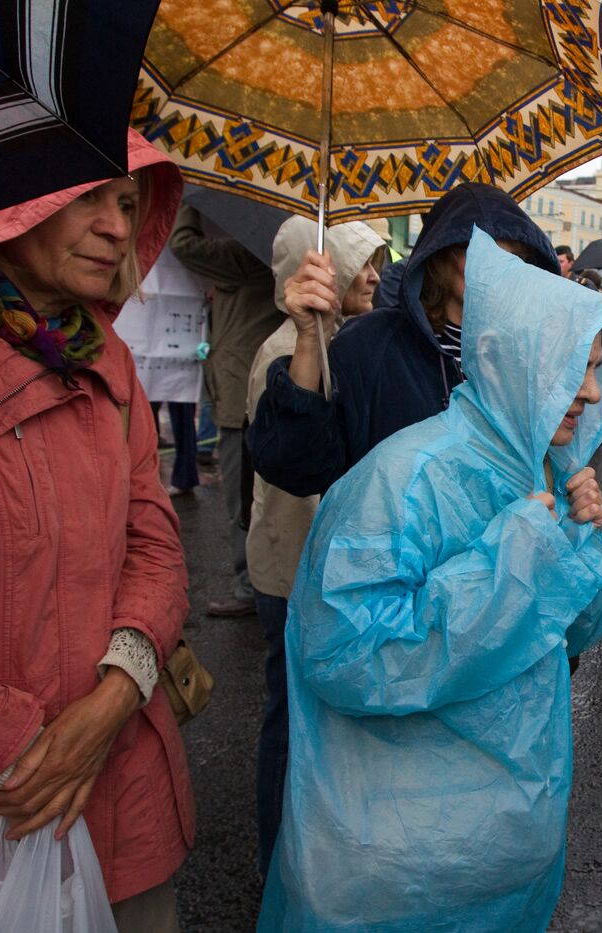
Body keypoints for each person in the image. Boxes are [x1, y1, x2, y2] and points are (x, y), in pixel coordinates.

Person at [258, 230, 602, 931]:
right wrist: (511, 559)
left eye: (595, 369)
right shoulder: (403, 478)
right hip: (398, 870)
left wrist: (580, 545)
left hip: (505, 852)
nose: (589, 392)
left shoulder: (542, 469)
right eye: (572, 369)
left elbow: (574, 631)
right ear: (518, 361)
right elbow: (342, 654)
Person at [0, 130, 194, 930]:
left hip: (124, 801)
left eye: (128, 203)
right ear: (8, 198)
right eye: (87, 196)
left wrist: (115, 696)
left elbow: (157, 547)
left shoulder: (112, 364)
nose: (118, 227)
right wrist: (28, 748)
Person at [247, 183, 559, 497]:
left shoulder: (529, 352)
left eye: (516, 256)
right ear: (440, 253)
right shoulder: (370, 344)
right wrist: (311, 339)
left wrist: (572, 490)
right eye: (480, 247)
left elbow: (545, 464)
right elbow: (295, 467)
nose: (498, 265)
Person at [244, 215, 386, 877]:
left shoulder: (344, 343)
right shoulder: (286, 352)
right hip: (293, 568)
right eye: (363, 262)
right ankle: (277, 855)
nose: (377, 276)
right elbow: (292, 476)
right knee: (289, 715)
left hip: (321, 566)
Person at [169, 205, 280, 617]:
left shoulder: (248, 254)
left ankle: (249, 587)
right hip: (243, 387)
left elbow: (183, 245)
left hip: (241, 394)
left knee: (243, 498)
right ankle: (256, 584)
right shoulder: (263, 253)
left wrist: (188, 205)